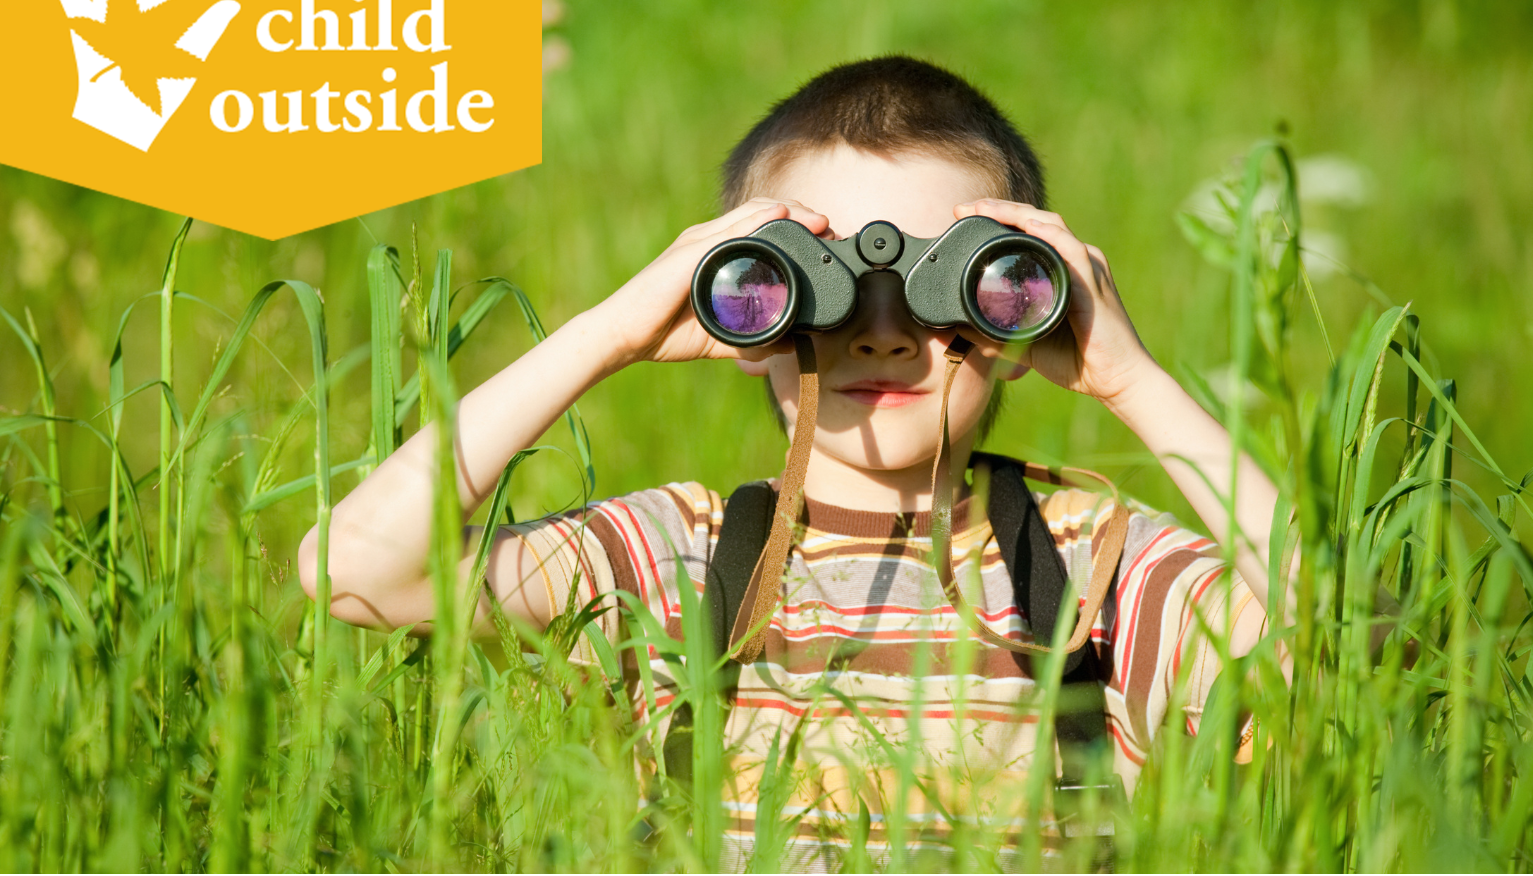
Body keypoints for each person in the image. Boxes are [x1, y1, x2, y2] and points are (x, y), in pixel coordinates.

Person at [298, 56, 1277, 868]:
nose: (885, 334)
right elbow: (357, 571)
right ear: (749, 300)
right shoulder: (678, 556)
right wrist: (611, 329)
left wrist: (1127, 373)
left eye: (947, 286)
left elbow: (1351, 644)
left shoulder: (1098, 567)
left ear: (1022, 300)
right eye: (827, 286)